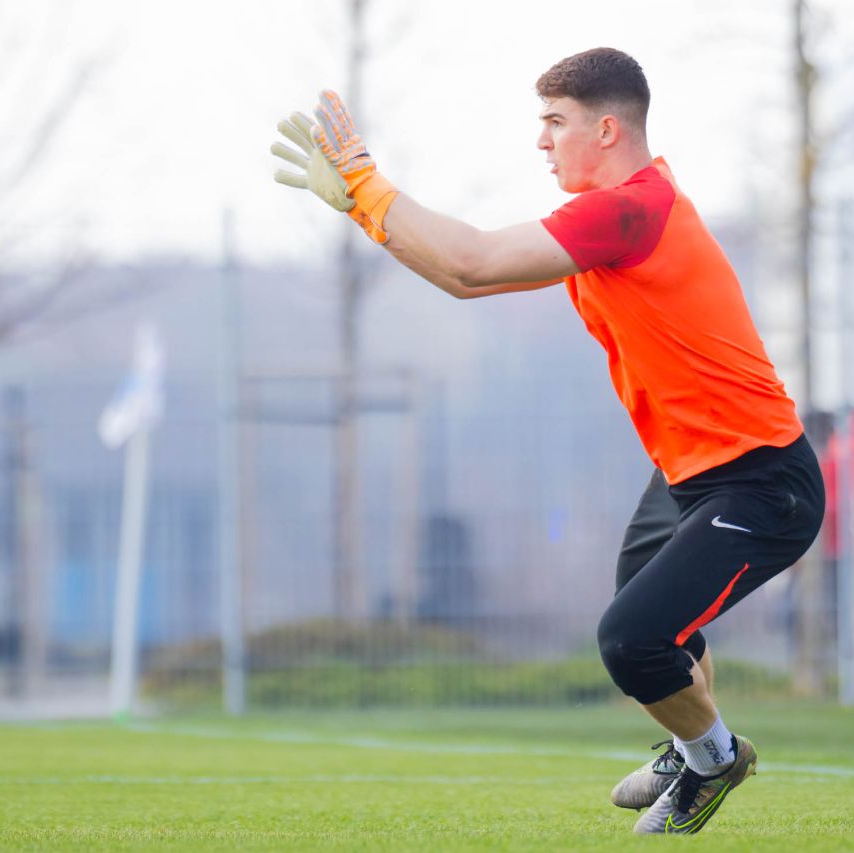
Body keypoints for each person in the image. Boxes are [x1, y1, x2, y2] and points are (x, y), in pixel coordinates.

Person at [271, 47, 824, 835]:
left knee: (632, 639)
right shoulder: (615, 217)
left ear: (607, 130)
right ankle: (697, 748)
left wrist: (365, 181)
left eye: (555, 122)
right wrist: (363, 208)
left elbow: (471, 262)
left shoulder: (630, 209)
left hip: (763, 481)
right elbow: (464, 279)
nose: (542, 140)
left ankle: (713, 757)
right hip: (688, 475)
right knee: (653, 617)